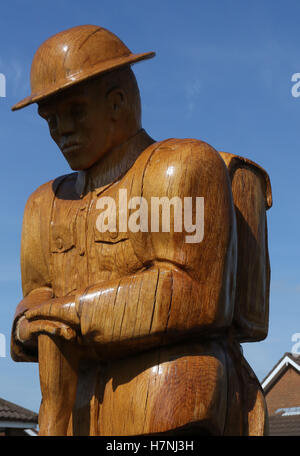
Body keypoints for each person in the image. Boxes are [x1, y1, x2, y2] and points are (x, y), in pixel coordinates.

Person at [11, 25, 271, 436]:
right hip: (75, 417)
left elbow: (194, 292)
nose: (62, 130)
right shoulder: (43, 205)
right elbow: (35, 297)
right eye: (52, 119)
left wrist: (73, 311)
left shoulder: (181, 167)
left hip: (169, 409)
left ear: (117, 102)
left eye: (76, 112)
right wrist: (30, 321)